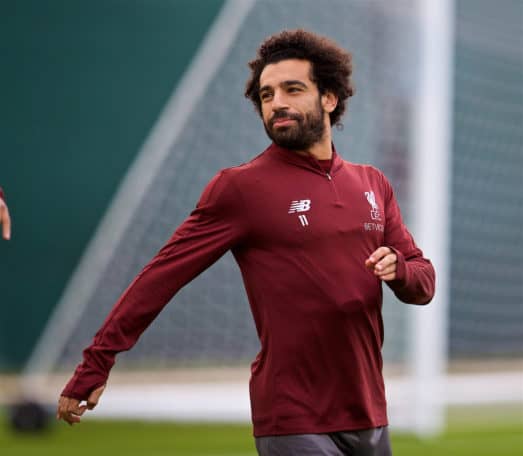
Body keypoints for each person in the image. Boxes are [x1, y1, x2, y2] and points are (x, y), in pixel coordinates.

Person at [57, 29, 435, 455]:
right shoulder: (240, 188)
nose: (277, 103)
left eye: (293, 89)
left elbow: (424, 283)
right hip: (293, 418)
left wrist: (399, 270)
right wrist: (97, 361)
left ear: (329, 98)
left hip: (369, 413)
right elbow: (159, 278)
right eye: (267, 94)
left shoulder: (373, 183)